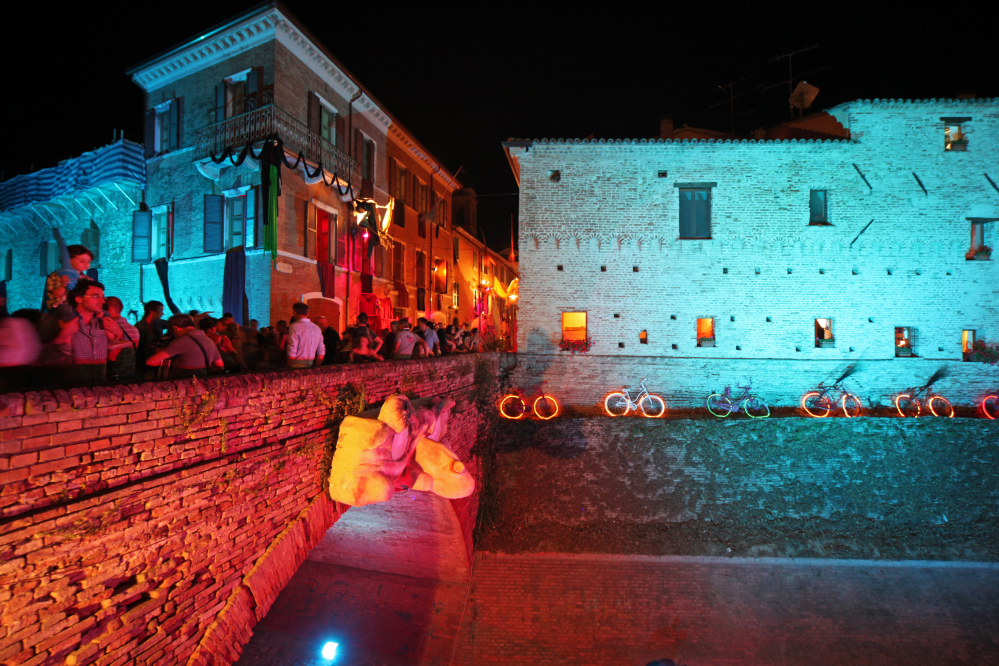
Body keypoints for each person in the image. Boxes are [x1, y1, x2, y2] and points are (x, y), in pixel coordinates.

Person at [67, 280, 121, 384]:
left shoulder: (102, 321)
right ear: (79, 299)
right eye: (96, 296)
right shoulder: (65, 321)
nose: (102, 301)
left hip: (99, 387)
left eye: (102, 297)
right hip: (72, 389)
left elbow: (112, 354)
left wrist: (118, 332)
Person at [146, 314, 223, 379]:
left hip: (182, 384)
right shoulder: (209, 341)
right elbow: (220, 366)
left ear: (175, 328)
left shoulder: (182, 341)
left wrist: (160, 348)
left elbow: (151, 362)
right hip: (201, 384)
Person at [44, 242, 94, 311]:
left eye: (88, 262)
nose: (86, 264)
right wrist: (63, 286)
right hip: (61, 310)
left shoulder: (87, 279)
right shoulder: (57, 275)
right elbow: (55, 295)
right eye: (82, 261)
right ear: (69, 260)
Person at [105, 297, 139, 381]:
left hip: (111, 375)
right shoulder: (134, 329)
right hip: (129, 373)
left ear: (108, 308)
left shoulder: (107, 328)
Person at [285, 302, 325, 368]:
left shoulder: (294, 326)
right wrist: (317, 366)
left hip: (296, 365)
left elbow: (292, 348)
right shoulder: (316, 327)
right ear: (307, 313)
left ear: (294, 312)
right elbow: (321, 350)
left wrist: (289, 367)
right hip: (311, 365)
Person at [135, 301, 165, 372]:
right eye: (160, 310)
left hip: (157, 361)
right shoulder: (140, 327)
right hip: (145, 364)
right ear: (152, 312)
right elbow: (138, 350)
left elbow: (173, 323)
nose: (162, 313)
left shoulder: (159, 323)